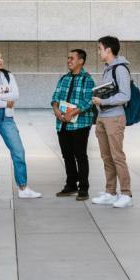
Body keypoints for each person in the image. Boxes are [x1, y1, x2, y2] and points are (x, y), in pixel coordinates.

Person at [0, 49, 42, 201]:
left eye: (1, 58)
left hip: (7, 118)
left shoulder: (8, 75)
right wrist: (5, 102)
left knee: (18, 150)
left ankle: (23, 188)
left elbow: (15, 95)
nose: (1, 60)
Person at [91, 36, 133, 208]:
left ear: (108, 50)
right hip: (103, 117)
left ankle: (126, 194)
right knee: (106, 157)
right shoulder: (107, 68)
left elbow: (125, 96)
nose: (98, 51)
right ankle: (110, 192)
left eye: (100, 48)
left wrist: (103, 102)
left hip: (114, 117)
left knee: (117, 156)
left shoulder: (120, 69)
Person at [50, 49, 95, 201]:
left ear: (81, 61)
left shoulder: (87, 79)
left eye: (72, 58)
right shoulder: (63, 79)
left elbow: (89, 100)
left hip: (80, 125)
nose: (69, 61)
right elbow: (55, 96)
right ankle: (71, 185)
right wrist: (56, 109)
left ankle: (83, 188)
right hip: (62, 124)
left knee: (80, 156)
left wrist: (73, 112)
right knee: (67, 155)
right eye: (68, 58)